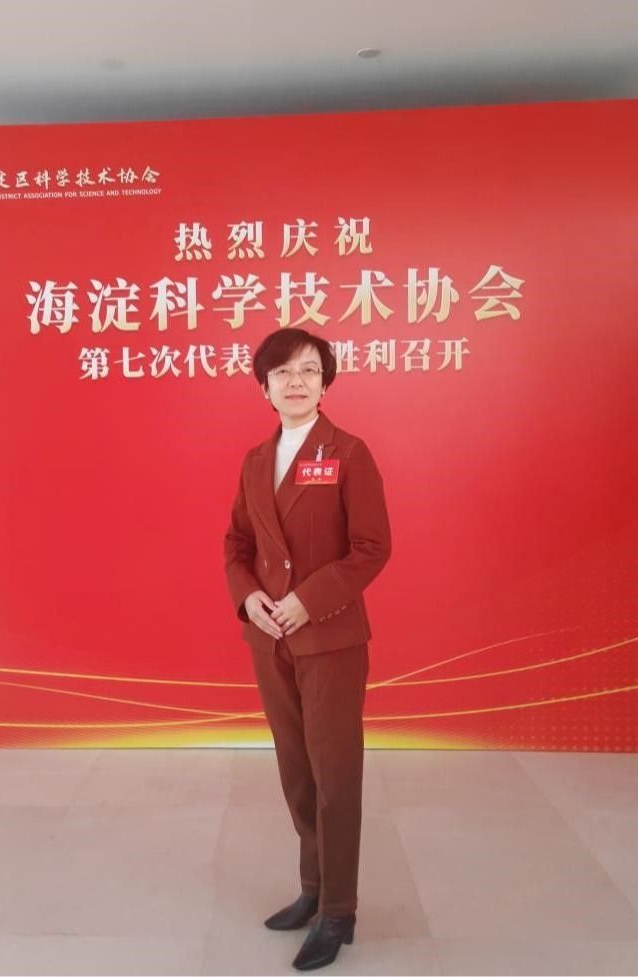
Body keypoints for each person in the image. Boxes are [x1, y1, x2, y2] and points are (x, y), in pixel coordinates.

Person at [223, 327, 391, 971]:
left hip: (330, 639)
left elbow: (372, 548)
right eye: (283, 373)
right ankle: (313, 890)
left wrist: (308, 600)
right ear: (264, 387)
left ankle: (340, 910)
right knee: (296, 769)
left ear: (325, 383)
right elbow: (236, 544)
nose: (296, 382)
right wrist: (250, 599)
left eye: (309, 371)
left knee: (334, 774)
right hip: (270, 639)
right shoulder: (254, 460)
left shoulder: (349, 453)